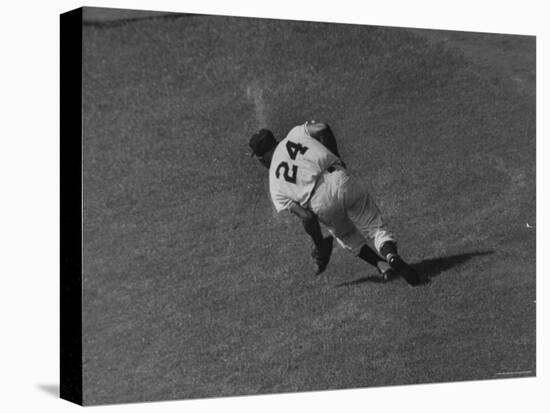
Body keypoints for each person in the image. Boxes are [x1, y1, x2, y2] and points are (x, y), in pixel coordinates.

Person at [249, 121, 424, 286]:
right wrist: (336, 155)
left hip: (319, 203)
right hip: (339, 178)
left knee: (347, 237)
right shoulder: (295, 134)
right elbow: (322, 128)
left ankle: (382, 265)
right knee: (375, 227)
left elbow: (307, 217)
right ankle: (391, 256)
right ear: (275, 140)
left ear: (260, 158)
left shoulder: (275, 185)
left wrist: (320, 245)